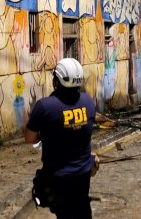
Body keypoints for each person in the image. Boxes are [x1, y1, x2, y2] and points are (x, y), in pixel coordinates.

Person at [25, 58, 96, 219]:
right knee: (82, 209)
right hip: (83, 174)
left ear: (57, 81)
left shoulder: (44, 106)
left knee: (65, 214)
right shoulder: (89, 102)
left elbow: (30, 138)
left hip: (58, 177)